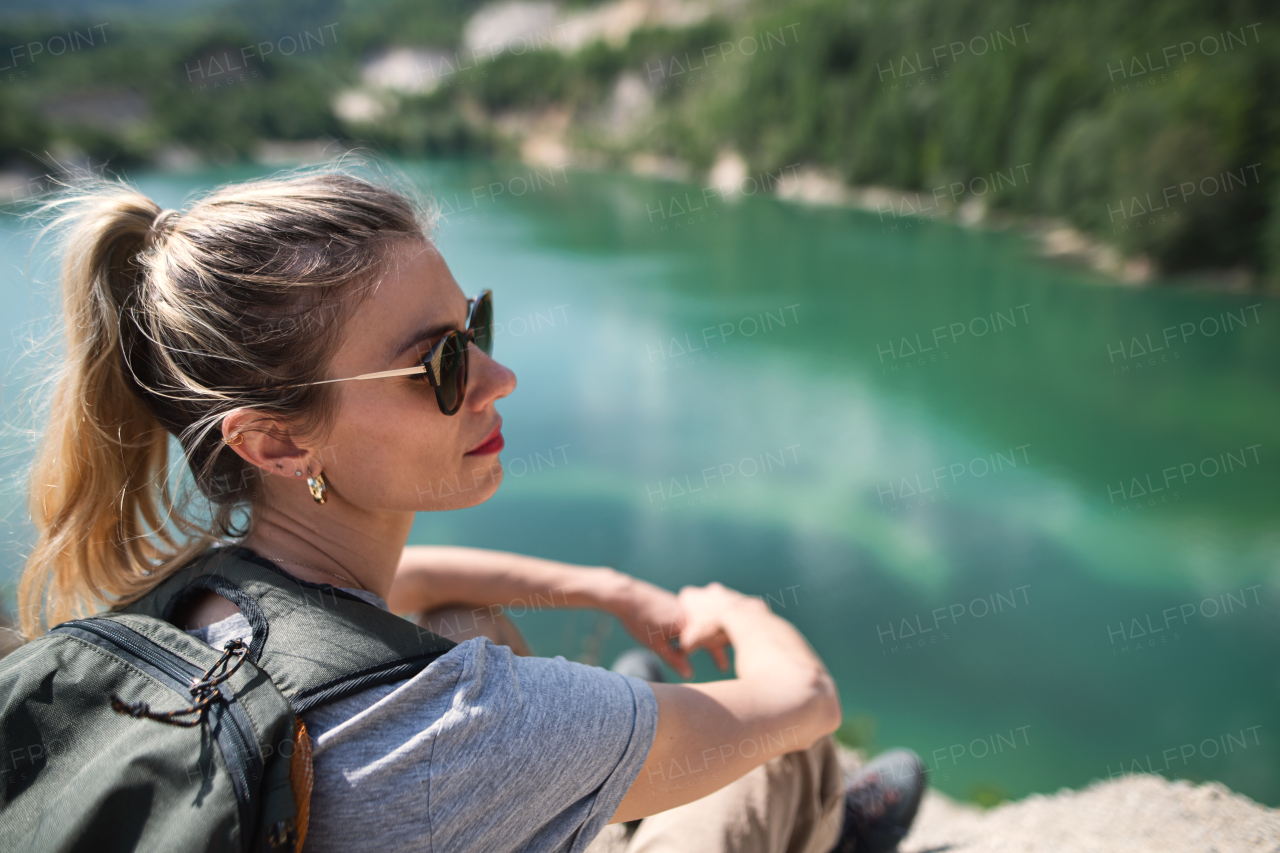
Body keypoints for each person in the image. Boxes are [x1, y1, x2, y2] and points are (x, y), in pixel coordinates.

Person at [18, 164, 926, 852]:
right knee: (781, 752)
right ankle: (824, 824)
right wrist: (738, 613)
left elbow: (406, 587)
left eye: (473, 328)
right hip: (490, 762)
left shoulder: (198, 597)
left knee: (459, 617)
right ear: (278, 442)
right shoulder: (461, 721)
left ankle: (613, 759)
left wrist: (604, 588)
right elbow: (801, 697)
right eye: (440, 364)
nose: (499, 377)